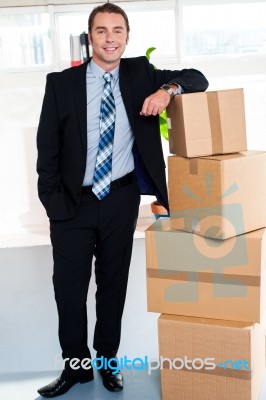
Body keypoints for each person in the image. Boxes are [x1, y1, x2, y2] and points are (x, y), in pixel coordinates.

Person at [36, 2, 208, 398]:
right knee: (69, 288)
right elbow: (47, 149)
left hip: (120, 199)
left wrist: (168, 91)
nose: (110, 38)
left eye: (117, 30)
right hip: (72, 206)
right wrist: (53, 201)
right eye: (101, 31)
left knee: (113, 284)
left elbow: (198, 78)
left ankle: (108, 361)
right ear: (90, 37)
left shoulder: (140, 74)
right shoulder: (61, 84)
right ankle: (75, 367)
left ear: (127, 37)